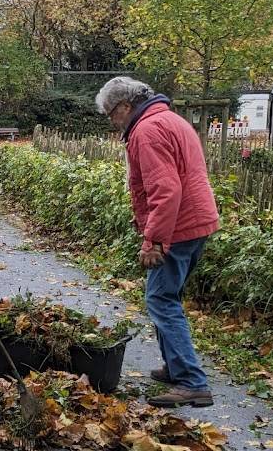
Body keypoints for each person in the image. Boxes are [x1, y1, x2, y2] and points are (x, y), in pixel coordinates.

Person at [95, 76, 218, 408]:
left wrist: (155, 241)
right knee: (167, 296)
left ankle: (191, 381)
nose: (112, 121)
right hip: (196, 221)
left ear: (125, 106)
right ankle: (176, 367)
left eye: (111, 113)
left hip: (179, 226)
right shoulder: (169, 119)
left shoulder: (147, 130)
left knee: (161, 299)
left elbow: (166, 191)